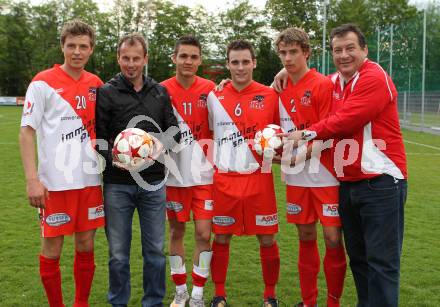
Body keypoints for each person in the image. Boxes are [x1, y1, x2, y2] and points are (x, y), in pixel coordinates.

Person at [277, 24, 408, 307]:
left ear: (365, 50)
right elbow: (310, 81)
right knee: (359, 260)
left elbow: (346, 119)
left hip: (382, 181)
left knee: (382, 263)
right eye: (338, 50)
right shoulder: (335, 81)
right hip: (349, 184)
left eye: (350, 48)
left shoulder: (374, 76)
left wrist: (306, 134)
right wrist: (286, 71)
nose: (344, 54)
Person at [19, 19, 104, 307]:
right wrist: (32, 179)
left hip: (90, 182)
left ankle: (81, 304)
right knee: (52, 248)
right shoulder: (42, 83)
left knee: (85, 245)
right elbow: (26, 132)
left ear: (91, 49)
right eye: (71, 46)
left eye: (83, 46)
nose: (77, 52)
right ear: (62, 47)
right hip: (54, 184)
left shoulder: (96, 85)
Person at [95, 33, 181, 307]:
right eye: (125, 58)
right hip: (117, 184)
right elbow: (98, 138)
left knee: (155, 250)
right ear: (118, 58)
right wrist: (116, 159)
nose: (130, 64)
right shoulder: (107, 92)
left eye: (136, 58)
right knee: (118, 253)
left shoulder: (159, 92)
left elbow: (174, 132)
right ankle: (118, 302)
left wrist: (157, 146)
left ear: (145, 59)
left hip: (153, 183)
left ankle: (153, 302)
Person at [274, 27, 346, 307]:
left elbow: (327, 133)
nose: (288, 58)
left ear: (306, 52)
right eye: (283, 53)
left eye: (294, 52)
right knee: (305, 235)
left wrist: (295, 159)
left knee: (331, 237)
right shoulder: (278, 88)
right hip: (296, 178)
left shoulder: (321, 84)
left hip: (325, 173)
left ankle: (333, 302)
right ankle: (309, 301)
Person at [207, 39, 280, 307]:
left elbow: (279, 135)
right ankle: (219, 294)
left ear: (254, 63)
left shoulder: (271, 95)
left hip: (259, 179)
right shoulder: (215, 96)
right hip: (225, 179)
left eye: (245, 62)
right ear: (227, 65)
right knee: (221, 236)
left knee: (267, 237)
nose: (240, 68)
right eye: (234, 62)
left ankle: (270, 296)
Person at [161, 36, 216, 307]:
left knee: (205, 234)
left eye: (194, 57)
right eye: (183, 56)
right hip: (173, 177)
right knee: (176, 233)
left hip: (205, 176)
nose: (188, 61)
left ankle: (198, 293)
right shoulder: (160, 90)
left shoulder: (212, 89)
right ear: (174, 58)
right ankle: (180, 290)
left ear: (200, 60)